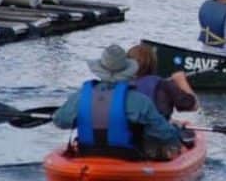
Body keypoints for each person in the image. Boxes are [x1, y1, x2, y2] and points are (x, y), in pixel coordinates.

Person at [52, 44, 185, 160]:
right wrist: (176, 131)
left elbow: (60, 121)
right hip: (127, 157)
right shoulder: (140, 101)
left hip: (87, 154)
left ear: (100, 70)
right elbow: (164, 133)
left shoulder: (80, 97)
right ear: (127, 71)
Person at [127, 43, 199, 120]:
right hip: (155, 130)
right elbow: (193, 106)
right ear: (153, 63)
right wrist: (181, 81)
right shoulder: (164, 85)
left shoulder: (118, 86)